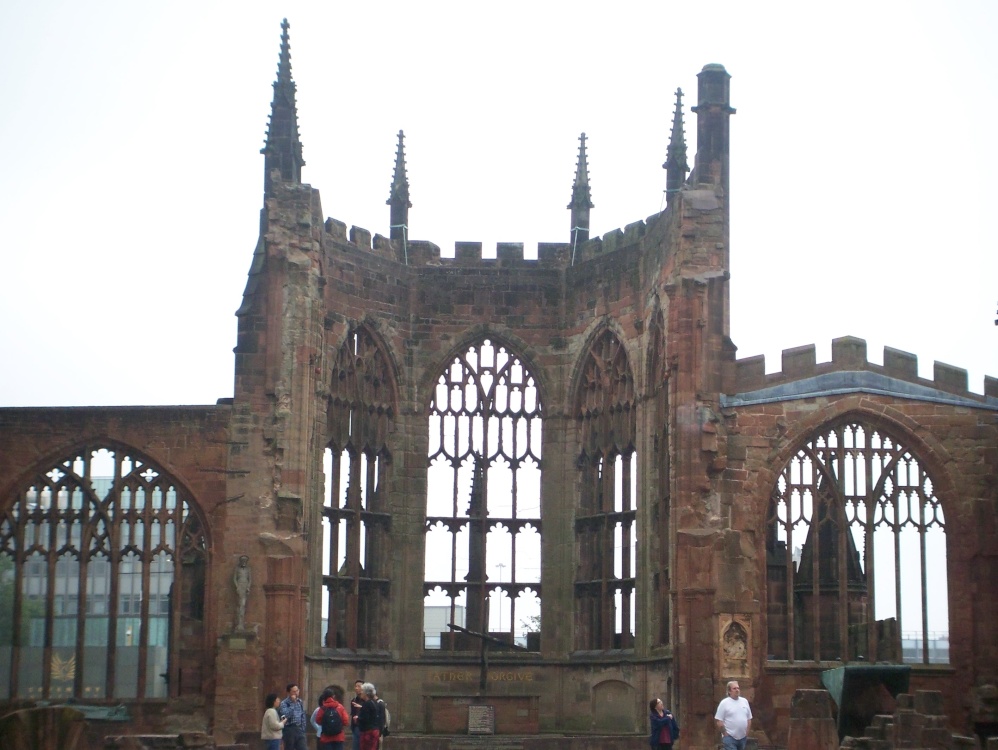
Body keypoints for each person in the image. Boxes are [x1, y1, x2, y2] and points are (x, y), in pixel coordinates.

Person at [715, 680, 752, 750]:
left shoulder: (744, 701)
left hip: (742, 738)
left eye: (738, 688)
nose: (737, 690)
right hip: (730, 738)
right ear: (729, 691)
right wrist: (725, 734)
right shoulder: (724, 703)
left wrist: (746, 733)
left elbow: (749, 718)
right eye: (734, 688)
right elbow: (719, 720)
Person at [280, 682, 309, 750]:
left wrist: (303, 728)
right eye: (293, 691)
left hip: (299, 729)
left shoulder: (299, 702)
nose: (296, 693)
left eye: (297, 691)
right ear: (289, 692)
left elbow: (302, 715)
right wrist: (293, 704)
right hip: (289, 729)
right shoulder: (284, 703)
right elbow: (286, 715)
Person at [356, 682, 381, 750]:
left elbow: (365, 719)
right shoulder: (374, 702)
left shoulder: (367, 704)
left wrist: (357, 719)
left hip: (368, 733)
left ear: (366, 693)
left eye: (362, 691)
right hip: (374, 730)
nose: (361, 693)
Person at [233, 555, 251, 631]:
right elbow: (234, 578)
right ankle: (239, 623)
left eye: (245, 561)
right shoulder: (237, 569)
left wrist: (248, 587)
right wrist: (237, 586)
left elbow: (250, 579)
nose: (244, 562)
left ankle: (241, 623)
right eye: (242, 561)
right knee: (240, 604)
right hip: (240, 585)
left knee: (243, 604)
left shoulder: (248, 569)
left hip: (245, 585)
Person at [349, 679, 364, 750]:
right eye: (356, 686)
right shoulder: (353, 700)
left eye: (359, 686)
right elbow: (353, 713)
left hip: (365, 727)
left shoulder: (367, 701)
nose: (356, 688)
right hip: (356, 727)